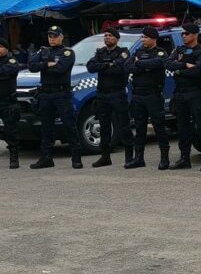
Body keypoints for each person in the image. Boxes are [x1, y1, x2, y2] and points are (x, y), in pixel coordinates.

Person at [29, 26, 82, 169]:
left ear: (61, 37)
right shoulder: (43, 51)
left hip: (61, 94)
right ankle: (46, 158)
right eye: (50, 36)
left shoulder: (67, 52)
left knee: (69, 125)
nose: (52, 38)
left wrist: (44, 66)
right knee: (46, 127)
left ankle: (76, 158)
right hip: (45, 94)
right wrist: (47, 64)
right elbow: (31, 66)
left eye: (55, 36)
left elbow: (60, 69)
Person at [86, 28, 133, 168]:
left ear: (117, 39)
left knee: (124, 125)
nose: (107, 38)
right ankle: (105, 157)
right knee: (104, 126)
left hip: (117, 93)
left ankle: (129, 157)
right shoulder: (100, 52)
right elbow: (90, 67)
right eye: (105, 36)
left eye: (110, 36)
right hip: (102, 94)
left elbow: (119, 69)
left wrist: (103, 66)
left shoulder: (123, 52)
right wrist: (108, 64)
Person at [124, 26, 170, 170]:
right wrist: (144, 66)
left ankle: (164, 159)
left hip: (153, 94)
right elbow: (127, 66)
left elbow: (157, 63)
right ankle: (138, 158)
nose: (142, 40)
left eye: (145, 37)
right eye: (142, 37)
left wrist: (139, 64)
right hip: (138, 94)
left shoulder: (161, 52)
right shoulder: (138, 52)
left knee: (159, 127)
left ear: (153, 38)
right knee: (139, 127)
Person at [165, 23, 201, 170]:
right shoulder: (179, 49)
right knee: (182, 127)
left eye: (187, 33)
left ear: (195, 35)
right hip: (180, 92)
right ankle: (184, 158)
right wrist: (185, 66)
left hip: (195, 92)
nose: (184, 36)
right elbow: (169, 64)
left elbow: (197, 71)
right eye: (183, 33)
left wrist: (179, 69)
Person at [0, 37, 21, 169]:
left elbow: (6, 71)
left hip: (7, 101)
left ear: (6, 49)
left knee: (10, 131)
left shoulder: (11, 61)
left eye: (0, 46)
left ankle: (14, 157)